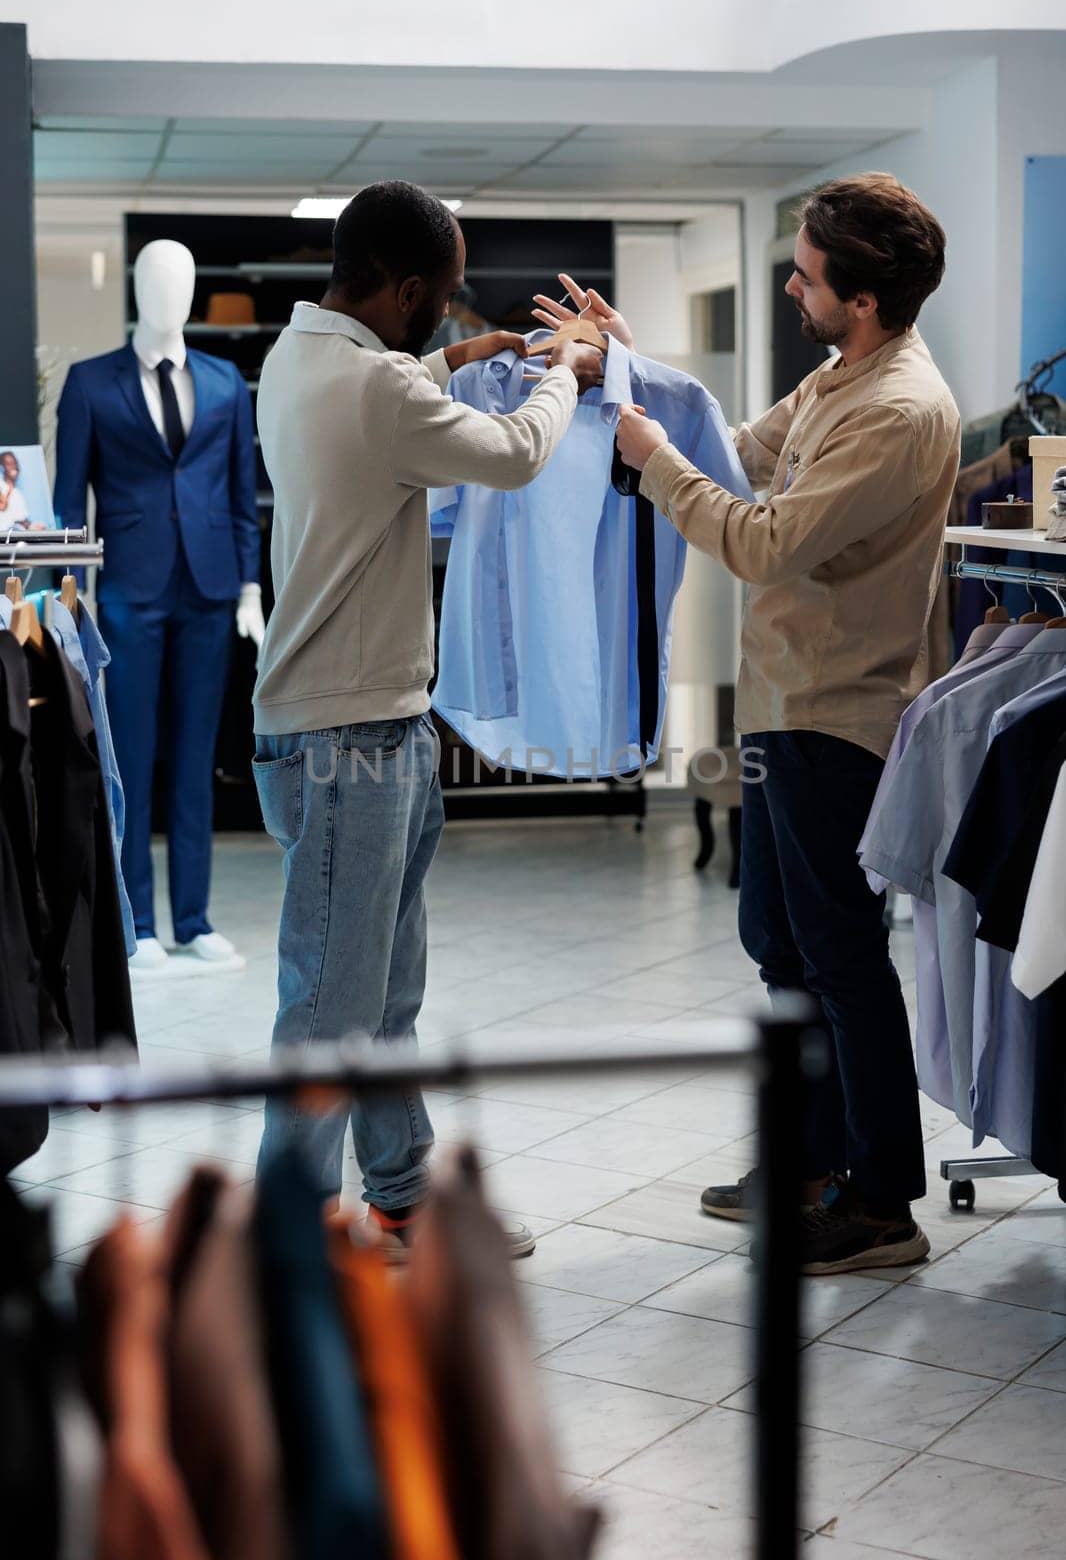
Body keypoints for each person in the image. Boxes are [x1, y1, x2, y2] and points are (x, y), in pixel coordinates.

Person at [539, 172, 961, 1275]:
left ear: (862, 299)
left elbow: (764, 538)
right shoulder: (839, 380)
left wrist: (649, 458)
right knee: (779, 942)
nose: (792, 285)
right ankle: (814, 1161)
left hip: (839, 714)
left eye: (809, 275)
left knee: (840, 955)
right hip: (782, 701)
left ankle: (880, 1201)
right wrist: (622, 366)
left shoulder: (900, 411)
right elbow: (736, 448)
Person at [253, 180, 602, 1257]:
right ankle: (290, 1238)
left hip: (361, 721)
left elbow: (392, 386)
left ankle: (400, 1194)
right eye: (440, 303)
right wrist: (567, 373)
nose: (446, 318)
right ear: (399, 290)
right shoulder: (376, 393)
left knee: (382, 988)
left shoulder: (299, 356)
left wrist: (451, 359)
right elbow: (514, 455)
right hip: (349, 731)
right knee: (329, 1005)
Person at [0, 452, 32, 527]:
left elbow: (22, 519)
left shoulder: (18, 493)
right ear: (2, 467)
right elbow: (2, 506)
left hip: (17, 532)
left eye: (15, 463)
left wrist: (31, 526)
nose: (13, 467)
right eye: (9, 464)